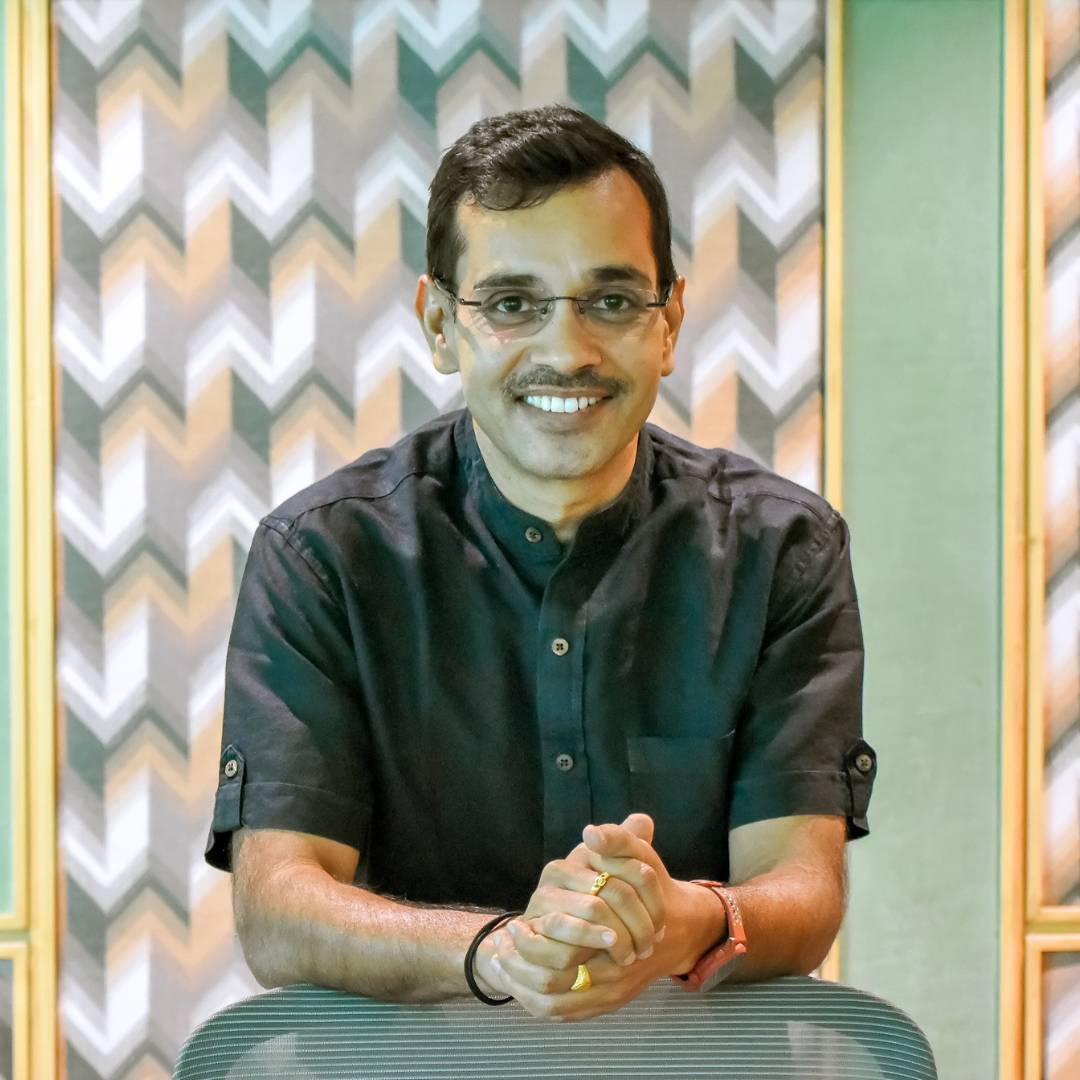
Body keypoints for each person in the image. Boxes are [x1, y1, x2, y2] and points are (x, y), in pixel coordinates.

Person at [204, 104, 876, 1023]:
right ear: (441, 324)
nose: (567, 350)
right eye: (512, 304)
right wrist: (503, 951)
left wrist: (689, 919)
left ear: (669, 320)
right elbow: (279, 912)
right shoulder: (322, 557)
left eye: (611, 300)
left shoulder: (783, 550)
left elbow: (802, 895)